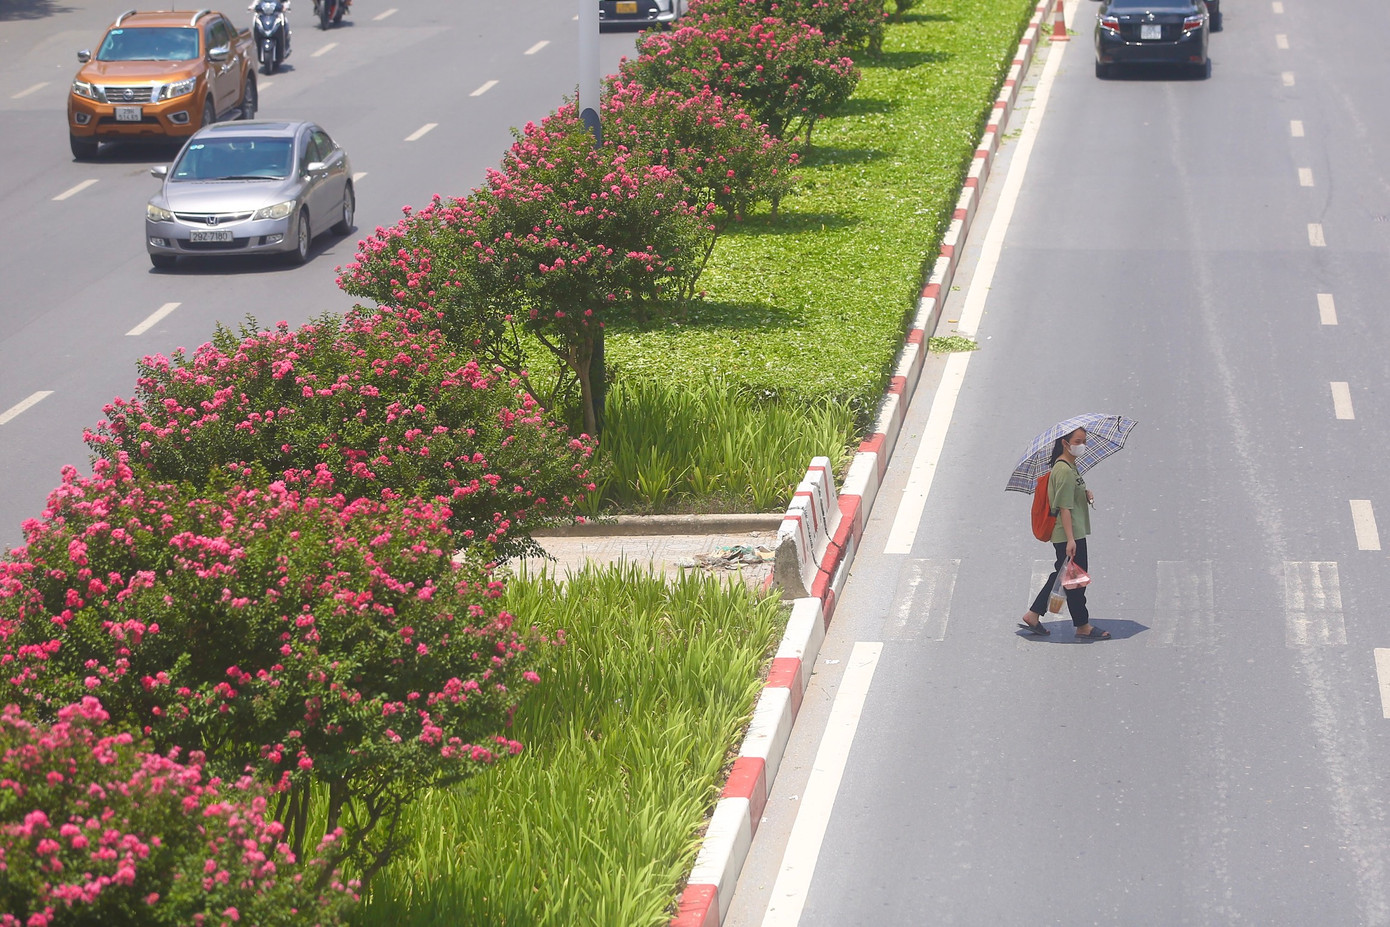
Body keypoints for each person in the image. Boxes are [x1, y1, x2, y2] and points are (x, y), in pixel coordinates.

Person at [1018, 427, 1109, 640]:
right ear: (1065, 444)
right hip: (1069, 534)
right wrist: (1070, 539)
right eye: (1078, 441)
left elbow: (1068, 495)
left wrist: (1083, 493)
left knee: (1067, 575)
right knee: (1074, 579)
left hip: (1072, 532)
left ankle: (1034, 614)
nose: (1082, 445)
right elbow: (1064, 507)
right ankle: (1082, 625)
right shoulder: (1064, 470)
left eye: (1084, 441)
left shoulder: (1069, 466)